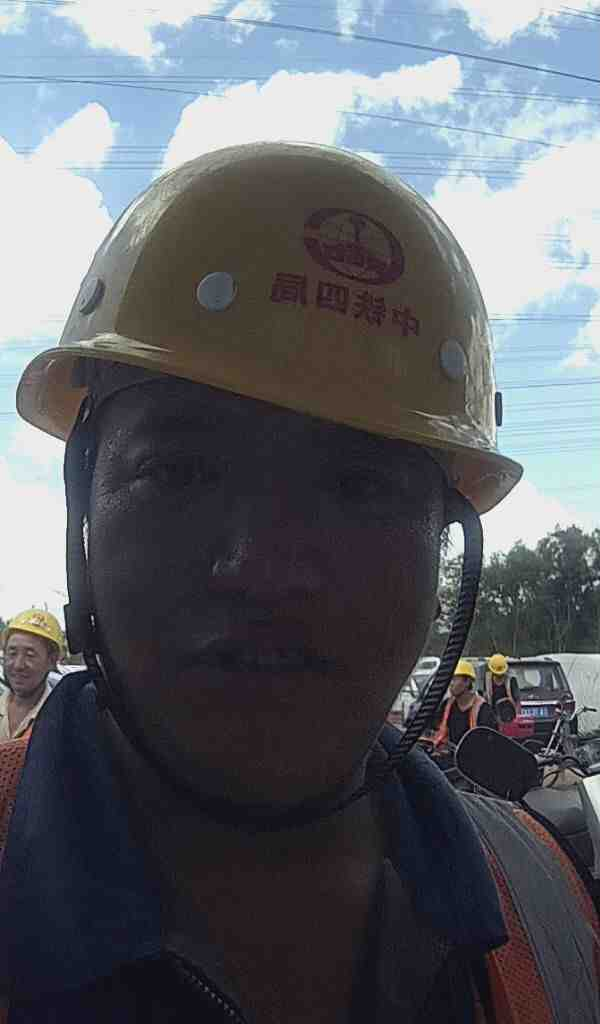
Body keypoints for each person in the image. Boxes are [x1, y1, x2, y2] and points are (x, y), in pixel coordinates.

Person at [0, 143, 597, 1022]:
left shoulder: (548, 905)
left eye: (359, 487)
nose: (265, 569)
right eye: (180, 470)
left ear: (444, 547)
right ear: (83, 496)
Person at [0, 609, 62, 740]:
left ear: (52, 660)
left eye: (30, 655)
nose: (18, 665)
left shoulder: (63, 720)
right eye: (12, 653)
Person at [433, 659, 496, 750]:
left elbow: (490, 743)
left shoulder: (483, 710)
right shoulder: (446, 705)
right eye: (450, 679)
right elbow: (435, 729)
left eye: (454, 679)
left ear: (467, 682)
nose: (451, 684)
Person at [488, 653, 521, 723]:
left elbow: (517, 701)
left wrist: (517, 718)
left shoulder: (511, 680)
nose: (499, 675)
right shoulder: (487, 680)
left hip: (510, 717)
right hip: (493, 718)